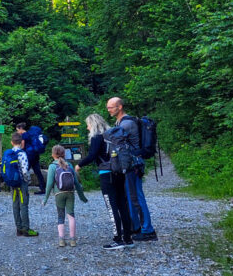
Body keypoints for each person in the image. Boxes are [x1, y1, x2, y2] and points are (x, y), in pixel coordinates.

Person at [76, 113, 134, 249]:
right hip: (120, 172)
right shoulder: (111, 135)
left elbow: (92, 156)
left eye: (88, 125)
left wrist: (79, 165)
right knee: (123, 205)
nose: (87, 128)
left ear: (93, 124)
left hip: (106, 175)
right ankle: (128, 238)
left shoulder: (97, 137)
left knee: (112, 206)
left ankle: (117, 239)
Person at [107, 96, 157, 242]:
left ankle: (148, 230)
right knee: (131, 197)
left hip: (133, 165)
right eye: (108, 107)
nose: (108, 110)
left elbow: (111, 137)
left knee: (136, 197)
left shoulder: (126, 124)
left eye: (111, 107)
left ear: (120, 107)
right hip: (130, 164)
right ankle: (135, 226)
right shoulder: (123, 122)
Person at [42, 144, 88, 247]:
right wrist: (82, 197)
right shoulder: (69, 165)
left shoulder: (52, 166)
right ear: (64, 154)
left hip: (59, 194)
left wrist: (45, 199)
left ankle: (61, 240)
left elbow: (49, 184)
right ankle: (72, 240)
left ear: (53, 154)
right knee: (71, 216)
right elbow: (76, 183)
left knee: (61, 216)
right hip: (70, 193)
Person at [6, 132, 38, 236]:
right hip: (21, 182)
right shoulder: (22, 154)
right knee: (23, 205)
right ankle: (26, 229)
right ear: (21, 142)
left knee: (15, 204)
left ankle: (18, 228)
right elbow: (24, 171)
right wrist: (27, 181)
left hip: (12, 182)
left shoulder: (9, 153)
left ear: (11, 142)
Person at [16, 122, 47, 195]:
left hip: (28, 156)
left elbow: (22, 147)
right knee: (38, 172)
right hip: (35, 155)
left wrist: (18, 151)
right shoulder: (31, 134)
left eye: (17, 130)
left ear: (21, 129)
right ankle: (43, 189)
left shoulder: (24, 135)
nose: (17, 132)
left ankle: (21, 187)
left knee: (24, 171)